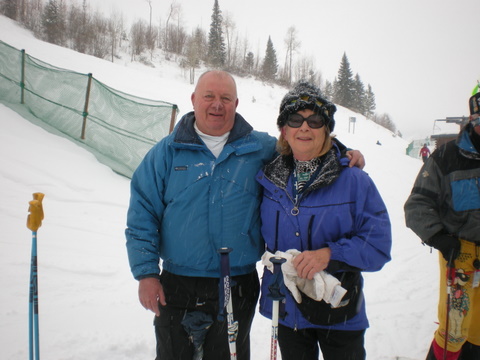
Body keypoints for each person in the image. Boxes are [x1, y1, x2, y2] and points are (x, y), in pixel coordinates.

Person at [125, 71, 365, 360]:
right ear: (193, 99)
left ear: (236, 103)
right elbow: (143, 213)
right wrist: (147, 273)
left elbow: (303, 144)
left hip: (237, 281)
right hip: (177, 281)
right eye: (209, 97)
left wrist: (343, 151)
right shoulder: (166, 152)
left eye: (225, 98)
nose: (217, 105)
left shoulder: (258, 148)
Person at [256, 81, 392, 360]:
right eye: (295, 119)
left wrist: (330, 254)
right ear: (284, 130)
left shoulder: (354, 180)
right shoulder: (268, 179)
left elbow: (378, 245)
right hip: (287, 309)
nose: (304, 127)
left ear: (326, 130)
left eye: (314, 120)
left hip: (338, 312)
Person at [404, 92, 480, 360]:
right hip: (462, 254)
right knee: (455, 329)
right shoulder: (446, 157)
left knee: (479, 331)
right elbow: (417, 205)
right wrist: (438, 236)